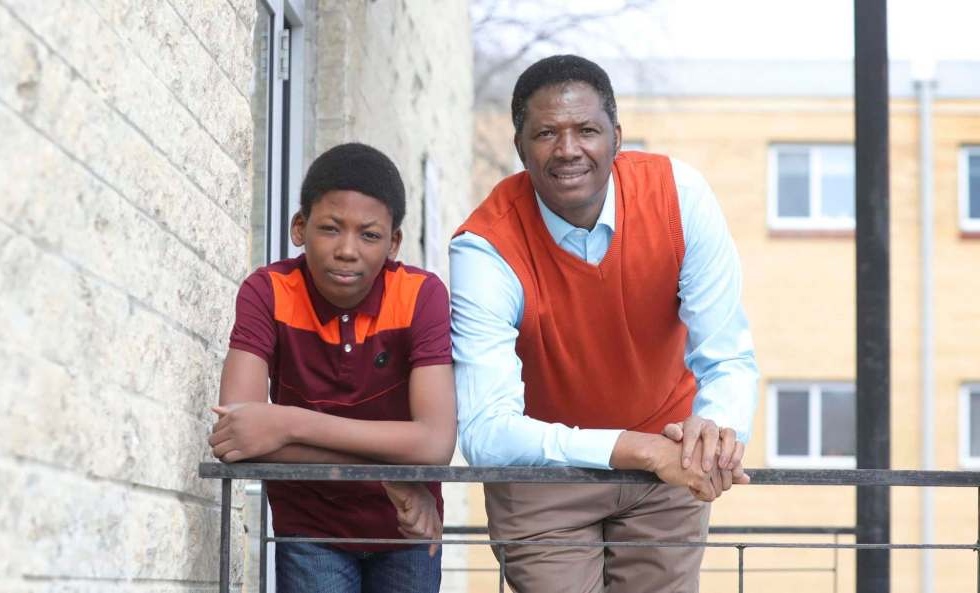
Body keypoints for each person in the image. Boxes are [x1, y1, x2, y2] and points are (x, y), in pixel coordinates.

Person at [450, 55, 759, 593]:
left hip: (666, 466)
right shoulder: (485, 247)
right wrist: (639, 449)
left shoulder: (679, 197)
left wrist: (714, 435)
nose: (568, 149)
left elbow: (727, 357)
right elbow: (485, 432)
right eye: (546, 133)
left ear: (616, 136)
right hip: (543, 477)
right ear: (519, 146)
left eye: (586, 130)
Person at [209, 143, 456, 593]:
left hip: (408, 530)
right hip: (312, 528)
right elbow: (237, 433)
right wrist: (389, 474)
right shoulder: (269, 292)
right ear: (299, 228)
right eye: (329, 228)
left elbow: (436, 442)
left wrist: (288, 422)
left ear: (394, 243)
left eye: (369, 234)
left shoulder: (421, 296)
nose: (347, 250)